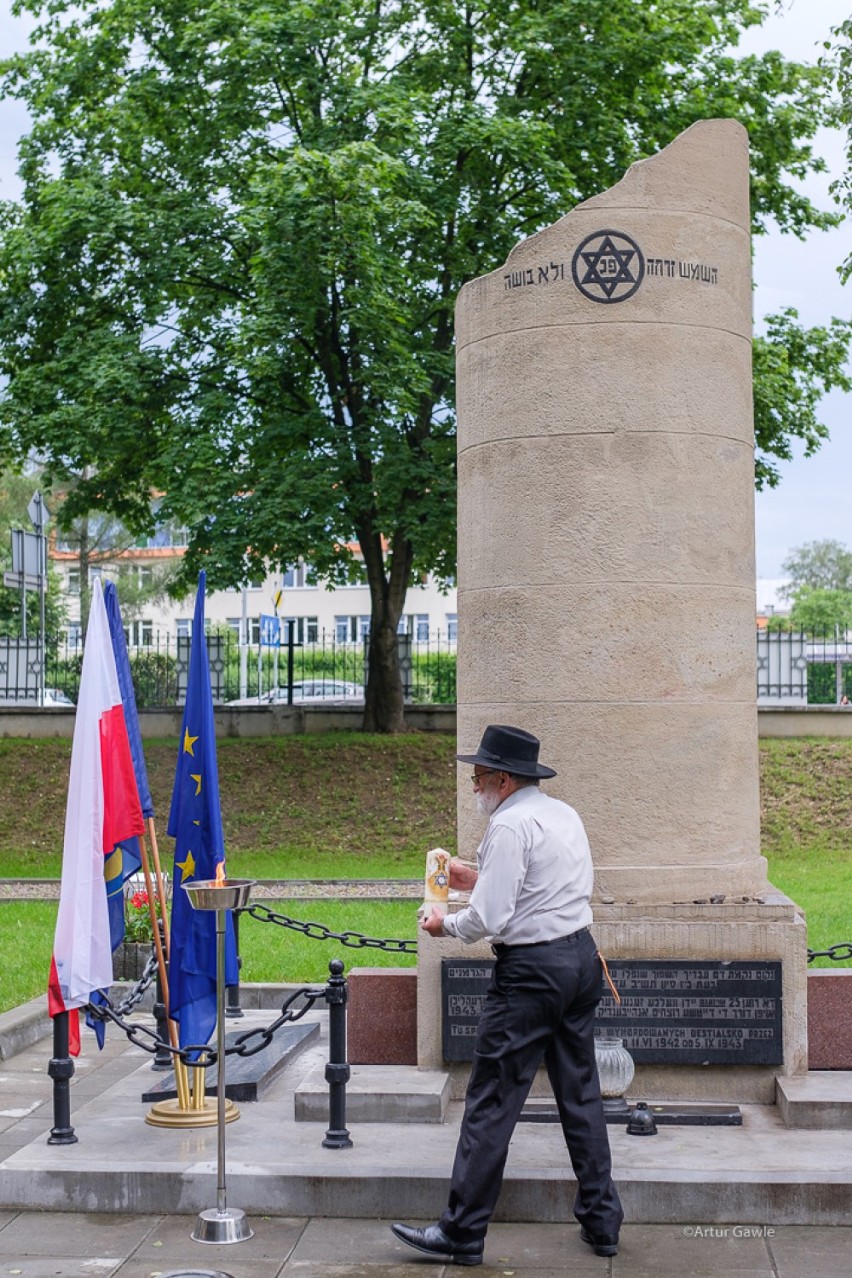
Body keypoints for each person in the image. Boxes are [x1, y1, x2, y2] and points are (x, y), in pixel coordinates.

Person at [391, 724, 623, 1268]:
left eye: (478, 776)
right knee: (581, 1094)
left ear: (502, 777)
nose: (473, 785)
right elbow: (538, 887)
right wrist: (473, 877)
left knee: (492, 1100)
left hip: (531, 975)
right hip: (582, 960)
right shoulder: (563, 814)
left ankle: (462, 1232)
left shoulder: (508, 825)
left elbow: (491, 918)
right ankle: (602, 1220)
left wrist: (441, 921)